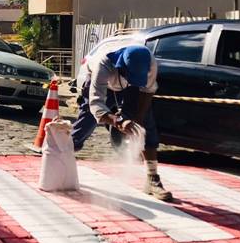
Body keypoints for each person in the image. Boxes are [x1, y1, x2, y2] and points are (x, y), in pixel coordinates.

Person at [72, 43, 173, 201]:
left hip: (130, 88)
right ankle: (63, 159)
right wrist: (116, 120)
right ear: (121, 67)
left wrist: (138, 118)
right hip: (103, 86)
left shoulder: (150, 63)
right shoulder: (103, 63)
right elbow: (96, 103)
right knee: (87, 122)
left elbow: (148, 90)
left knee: (146, 126)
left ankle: (152, 179)